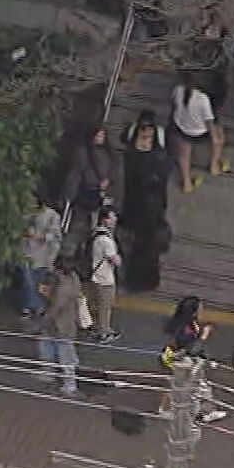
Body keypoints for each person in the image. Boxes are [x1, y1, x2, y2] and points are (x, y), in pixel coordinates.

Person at [158, 297, 231, 423]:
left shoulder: (187, 322)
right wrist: (204, 335)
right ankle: (207, 412)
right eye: (200, 307)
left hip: (179, 358)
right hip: (183, 360)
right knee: (201, 386)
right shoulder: (186, 328)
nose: (202, 309)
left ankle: (165, 410)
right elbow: (192, 348)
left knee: (177, 385)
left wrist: (207, 357)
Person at [120, 116, 171, 292]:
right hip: (142, 207)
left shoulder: (157, 154)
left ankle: (139, 280)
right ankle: (143, 280)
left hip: (145, 210)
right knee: (144, 250)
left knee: (143, 250)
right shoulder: (134, 149)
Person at [170, 72, 224, 192]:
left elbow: (174, 105)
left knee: (183, 153)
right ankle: (214, 165)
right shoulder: (202, 98)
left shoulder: (178, 90)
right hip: (200, 132)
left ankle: (186, 182)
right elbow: (209, 120)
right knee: (220, 136)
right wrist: (215, 137)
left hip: (182, 128)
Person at [36, 263, 84, 397]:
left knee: (65, 355)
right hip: (66, 324)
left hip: (60, 326)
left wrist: (44, 318)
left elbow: (55, 307)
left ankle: (69, 384)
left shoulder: (62, 287)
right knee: (50, 348)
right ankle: (49, 374)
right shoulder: (74, 279)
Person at [61, 126, 117, 224]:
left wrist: (108, 180)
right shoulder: (84, 152)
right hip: (85, 191)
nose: (100, 138)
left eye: (102, 135)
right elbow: (78, 172)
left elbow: (113, 170)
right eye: (98, 135)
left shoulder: (109, 154)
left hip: (101, 192)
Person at [17, 200, 62, 318]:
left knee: (36, 283)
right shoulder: (23, 213)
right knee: (27, 281)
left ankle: (29, 307)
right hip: (25, 252)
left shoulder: (52, 215)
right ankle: (37, 306)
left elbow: (56, 236)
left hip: (42, 255)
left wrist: (40, 236)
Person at [86, 206, 122, 343]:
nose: (115, 220)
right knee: (105, 307)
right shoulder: (105, 240)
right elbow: (115, 260)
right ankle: (103, 333)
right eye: (112, 217)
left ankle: (99, 328)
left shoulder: (96, 233)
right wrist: (119, 259)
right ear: (104, 219)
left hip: (96, 275)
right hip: (104, 278)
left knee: (98, 304)